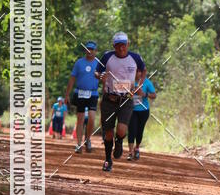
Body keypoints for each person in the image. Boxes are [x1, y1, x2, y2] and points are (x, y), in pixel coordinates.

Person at [97, 32, 146, 172]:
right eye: (118, 45)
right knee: (108, 133)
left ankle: (119, 142)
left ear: (127, 44)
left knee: (121, 129)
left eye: (123, 45)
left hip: (126, 99)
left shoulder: (135, 58)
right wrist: (100, 76)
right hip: (109, 99)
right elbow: (97, 72)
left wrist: (139, 85)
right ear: (114, 46)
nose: (121, 48)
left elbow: (144, 70)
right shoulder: (107, 57)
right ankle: (108, 160)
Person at [64, 40, 100, 153]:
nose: (90, 51)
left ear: (96, 51)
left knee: (92, 117)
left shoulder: (99, 63)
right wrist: (67, 95)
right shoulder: (79, 63)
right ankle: (79, 144)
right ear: (85, 50)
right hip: (80, 93)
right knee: (80, 119)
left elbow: (105, 78)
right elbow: (72, 79)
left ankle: (88, 139)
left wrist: (100, 77)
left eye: (92, 49)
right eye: (88, 49)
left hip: (93, 94)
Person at [127, 76, 156, 160]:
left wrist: (144, 94)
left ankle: (137, 148)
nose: (137, 73)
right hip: (131, 110)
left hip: (143, 110)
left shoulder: (147, 82)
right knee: (131, 130)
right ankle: (130, 152)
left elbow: (154, 95)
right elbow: (123, 94)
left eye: (139, 71)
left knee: (140, 130)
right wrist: (130, 93)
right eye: (136, 70)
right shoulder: (129, 81)